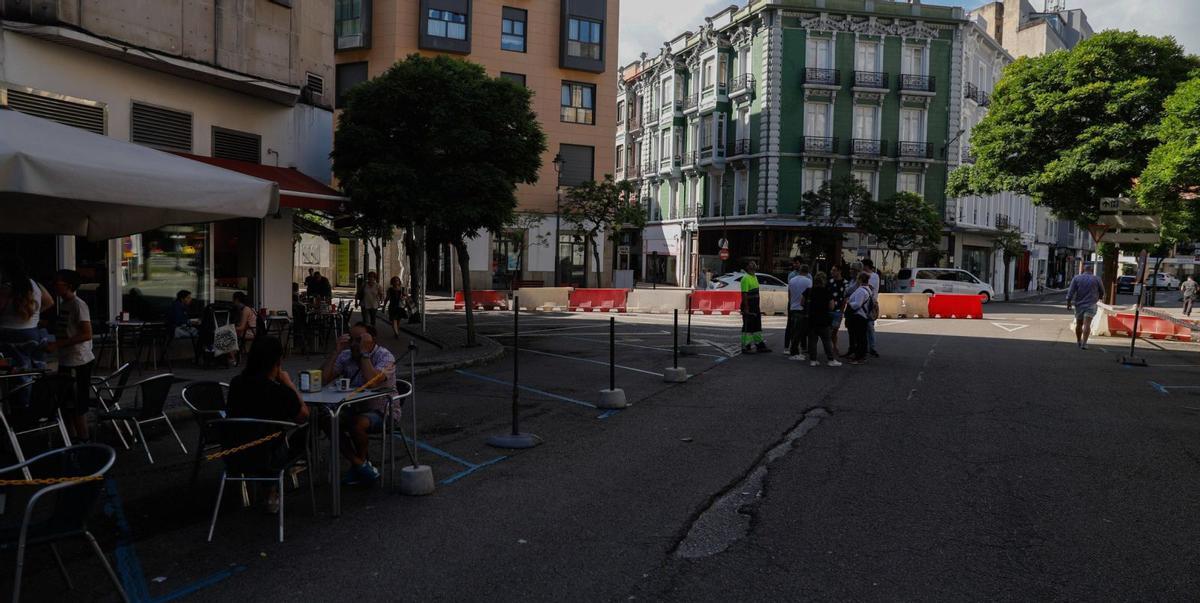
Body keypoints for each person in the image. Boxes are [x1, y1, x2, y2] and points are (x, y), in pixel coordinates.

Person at [227, 335, 310, 514]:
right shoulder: (278, 391)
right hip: (269, 456)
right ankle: (273, 488)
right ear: (278, 361)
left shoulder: (236, 384)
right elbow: (303, 415)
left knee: (266, 438)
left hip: (235, 453)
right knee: (308, 430)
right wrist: (288, 383)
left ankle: (269, 490)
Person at [321, 322, 396, 485]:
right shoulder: (346, 355)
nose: (354, 344)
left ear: (372, 340)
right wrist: (336, 351)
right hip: (352, 408)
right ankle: (360, 464)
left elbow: (372, 382)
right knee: (327, 419)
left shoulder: (385, 356)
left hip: (381, 411)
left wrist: (364, 353)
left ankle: (359, 467)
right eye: (352, 340)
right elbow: (324, 380)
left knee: (357, 424)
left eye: (359, 340)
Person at [0, 257, 54, 408]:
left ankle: (23, 406)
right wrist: (33, 316)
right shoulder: (35, 285)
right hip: (33, 333)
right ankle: (40, 405)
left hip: (9, 335)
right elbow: (50, 302)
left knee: (19, 373)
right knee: (35, 371)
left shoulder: (6, 287)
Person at [47, 270, 93, 441]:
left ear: (68, 285)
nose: (54, 285)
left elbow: (87, 334)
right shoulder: (65, 304)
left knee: (77, 404)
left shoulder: (78, 305)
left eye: (57, 282)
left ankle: (84, 440)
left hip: (78, 361)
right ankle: (72, 439)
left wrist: (58, 344)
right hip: (66, 360)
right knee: (66, 403)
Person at [803, 273, 841, 367]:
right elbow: (831, 307)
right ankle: (830, 360)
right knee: (826, 340)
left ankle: (813, 360)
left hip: (811, 319)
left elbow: (802, 303)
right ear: (824, 281)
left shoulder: (809, 291)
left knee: (812, 341)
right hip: (823, 319)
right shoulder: (827, 291)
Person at [1066, 265, 1105, 350]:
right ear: (1092, 270)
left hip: (1079, 304)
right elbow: (1102, 291)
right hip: (1091, 304)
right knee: (1087, 324)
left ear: (1083, 269)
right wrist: (1099, 297)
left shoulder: (1077, 278)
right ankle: (1084, 343)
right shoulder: (1097, 279)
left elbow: (1071, 291)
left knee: (1079, 324)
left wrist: (1069, 302)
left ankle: (1078, 341)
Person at [739, 261, 770, 354]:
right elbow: (744, 294)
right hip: (749, 305)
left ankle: (759, 345)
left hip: (755, 306)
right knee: (748, 326)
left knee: (757, 326)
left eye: (754, 264)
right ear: (747, 268)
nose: (753, 266)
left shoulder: (754, 277)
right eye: (751, 264)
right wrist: (746, 307)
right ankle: (746, 346)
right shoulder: (745, 278)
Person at [845, 272, 873, 364]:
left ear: (860, 279)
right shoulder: (868, 289)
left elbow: (857, 304)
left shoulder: (861, 290)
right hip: (864, 316)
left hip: (858, 316)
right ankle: (861, 356)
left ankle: (859, 357)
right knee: (862, 337)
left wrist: (849, 302)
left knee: (859, 338)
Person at [785, 264, 812, 359]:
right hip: (802, 308)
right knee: (799, 332)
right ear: (807, 272)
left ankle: (794, 350)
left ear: (800, 271)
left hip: (793, 307)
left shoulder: (792, 280)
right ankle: (794, 352)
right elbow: (809, 295)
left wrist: (791, 303)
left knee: (793, 330)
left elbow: (789, 294)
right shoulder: (808, 281)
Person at [230, 291, 257, 365]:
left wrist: (231, 328)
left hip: (250, 333)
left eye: (233, 300)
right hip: (254, 332)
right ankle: (234, 355)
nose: (232, 302)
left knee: (228, 334)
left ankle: (233, 359)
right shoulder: (251, 308)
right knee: (231, 332)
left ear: (237, 300)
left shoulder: (245, 310)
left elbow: (242, 327)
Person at [862, 258, 881, 357]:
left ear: (866, 266)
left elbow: (870, 287)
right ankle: (865, 347)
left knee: (869, 326)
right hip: (864, 303)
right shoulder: (865, 275)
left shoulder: (874, 276)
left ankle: (872, 347)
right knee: (864, 327)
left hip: (870, 303)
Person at [828, 265, 848, 357]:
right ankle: (832, 347)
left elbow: (845, 298)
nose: (832, 272)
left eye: (834, 270)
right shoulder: (829, 282)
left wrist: (841, 311)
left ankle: (834, 346)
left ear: (839, 271)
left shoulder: (845, 283)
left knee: (835, 330)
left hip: (838, 310)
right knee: (828, 330)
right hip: (828, 309)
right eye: (832, 270)